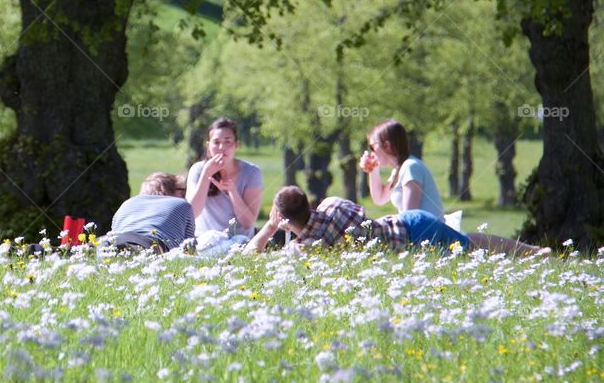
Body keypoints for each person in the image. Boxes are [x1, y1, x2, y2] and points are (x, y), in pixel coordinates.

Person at [246, 186, 546, 257]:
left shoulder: (308, 248)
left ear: (282, 217)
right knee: (470, 241)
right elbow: (357, 214)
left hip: (414, 242)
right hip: (409, 221)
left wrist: (271, 228)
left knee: (470, 252)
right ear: (309, 203)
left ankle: (532, 255)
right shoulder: (332, 204)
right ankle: (532, 251)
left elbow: (249, 256)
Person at [186, 118, 264, 238]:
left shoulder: (252, 173)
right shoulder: (198, 170)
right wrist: (206, 175)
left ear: (236, 145)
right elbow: (191, 214)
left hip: (239, 243)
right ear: (208, 146)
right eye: (216, 142)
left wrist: (232, 191)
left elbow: (248, 223)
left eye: (227, 142)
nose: (222, 147)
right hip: (205, 241)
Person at [359, 119, 445, 218]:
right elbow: (379, 198)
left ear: (387, 145)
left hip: (431, 233)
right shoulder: (399, 170)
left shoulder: (410, 167)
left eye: (372, 147)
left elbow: (410, 218)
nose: (372, 153)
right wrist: (372, 168)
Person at [106, 172, 195, 252]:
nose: (185, 195)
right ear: (169, 190)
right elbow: (189, 249)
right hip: (147, 245)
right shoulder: (182, 204)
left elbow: (114, 231)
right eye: (183, 191)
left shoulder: (127, 203)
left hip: (109, 242)